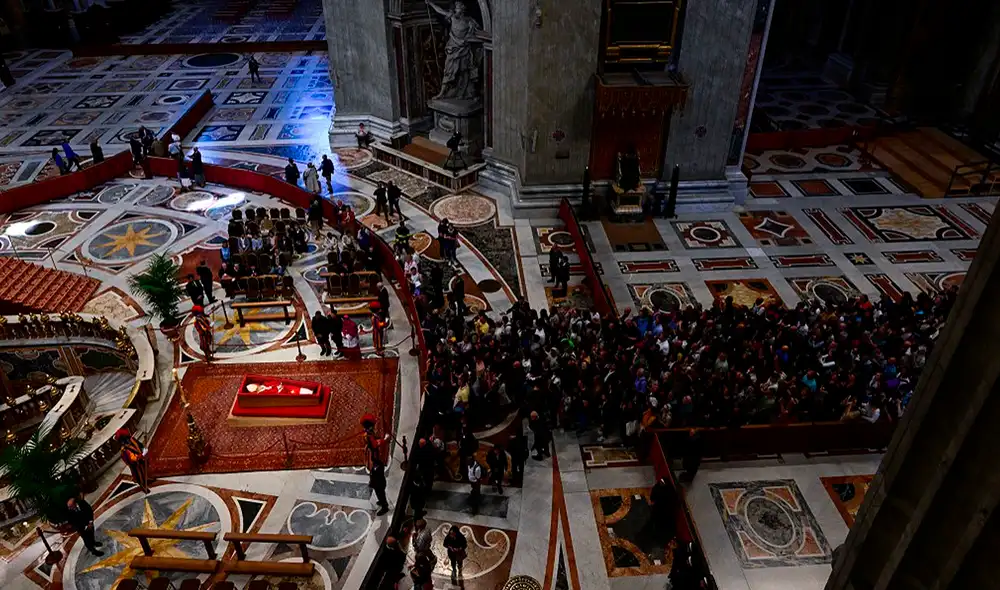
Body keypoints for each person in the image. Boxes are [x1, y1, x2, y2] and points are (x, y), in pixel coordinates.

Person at [115, 428, 152, 493]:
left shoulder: (131, 439)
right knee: (139, 474)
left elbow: (139, 445)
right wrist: (139, 456)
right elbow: (130, 458)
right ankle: (143, 486)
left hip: (140, 457)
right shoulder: (124, 450)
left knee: (144, 469)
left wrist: (142, 450)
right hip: (134, 463)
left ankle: (146, 479)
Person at [649, 475, 678, 541]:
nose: (661, 483)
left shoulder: (669, 491)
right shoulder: (657, 487)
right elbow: (653, 495)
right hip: (658, 507)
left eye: (663, 483)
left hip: (664, 508)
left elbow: (672, 500)